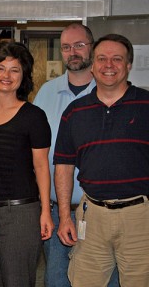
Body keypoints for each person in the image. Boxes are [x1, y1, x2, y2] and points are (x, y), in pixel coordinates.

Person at [54, 33, 149, 287]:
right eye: (102, 59)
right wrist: (65, 217)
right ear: (93, 66)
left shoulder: (146, 104)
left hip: (140, 217)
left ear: (128, 65)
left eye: (117, 59)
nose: (109, 65)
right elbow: (63, 165)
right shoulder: (75, 112)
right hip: (91, 216)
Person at [34, 23, 120, 287]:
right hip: (58, 211)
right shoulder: (46, 92)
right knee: (56, 279)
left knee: (108, 280)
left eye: (79, 45)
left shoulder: (112, 92)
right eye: (66, 47)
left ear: (92, 48)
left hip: (102, 212)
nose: (73, 52)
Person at [0, 42, 54, 287]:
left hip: (20, 215)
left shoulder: (33, 116)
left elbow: (41, 167)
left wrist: (46, 212)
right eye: (1, 68)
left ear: (24, 76)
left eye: (14, 70)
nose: (6, 76)